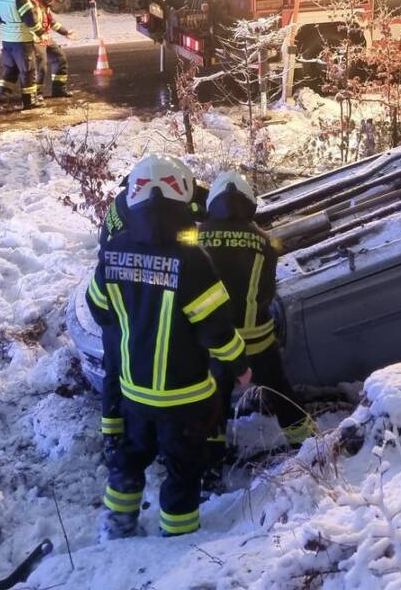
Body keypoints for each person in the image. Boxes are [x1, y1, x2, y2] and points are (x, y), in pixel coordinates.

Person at [86, 153, 250, 539]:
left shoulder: (111, 254)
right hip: (186, 400)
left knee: (129, 459)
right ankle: (177, 541)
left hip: (132, 394)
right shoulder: (193, 260)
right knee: (182, 469)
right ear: (184, 199)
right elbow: (217, 331)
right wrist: (240, 364)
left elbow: (99, 311)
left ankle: (118, 525)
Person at [197, 171, 313, 488]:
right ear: (250, 203)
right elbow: (266, 292)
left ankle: (210, 464)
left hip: (218, 341)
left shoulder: (196, 238)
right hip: (258, 337)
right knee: (278, 389)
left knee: (213, 400)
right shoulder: (267, 241)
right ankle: (307, 445)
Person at [0, 0, 42, 110]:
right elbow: (30, 20)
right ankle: (30, 101)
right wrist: (40, 32)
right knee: (28, 70)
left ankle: (0, 99)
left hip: (7, 41)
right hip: (22, 42)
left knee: (10, 69)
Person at [32, 0, 74, 97]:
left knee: (60, 58)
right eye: (53, 0)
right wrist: (40, 34)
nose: (53, 3)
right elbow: (31, 22)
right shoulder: (32, 2)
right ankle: (36, 95)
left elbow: (51, 21)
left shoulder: (45, 4)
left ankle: (59, 90)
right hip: (34, 39)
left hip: (44, 37)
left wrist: (65, 32)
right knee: (40, 66)